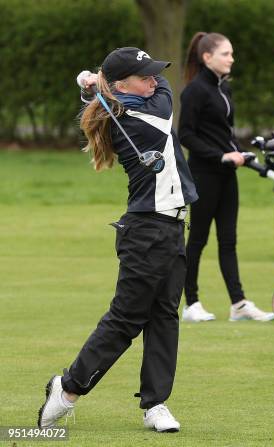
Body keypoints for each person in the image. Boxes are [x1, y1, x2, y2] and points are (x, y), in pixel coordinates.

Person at [38, 47, 198, 432]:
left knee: (164, 317)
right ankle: (68, 387)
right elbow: (163, 90)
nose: (153, 80)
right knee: (127, 318)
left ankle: (155, 404)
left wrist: (94, 84)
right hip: (146, 233)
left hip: (172, 227)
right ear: (123, 85)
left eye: (151, 74)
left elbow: (130, 90)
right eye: (144, 76)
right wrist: (98, 83)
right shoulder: (148, 112)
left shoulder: (123, 105)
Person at [179, 32, 274, 323]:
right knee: (197, 240)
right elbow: (186, 135)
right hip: (204, 174)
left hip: (226, 175)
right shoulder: (194, 91)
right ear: (207, 57)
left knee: (228, 241)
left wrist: (241, 153)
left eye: (231, 54)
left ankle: (239, 304)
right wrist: (219, 156)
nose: (231, 59)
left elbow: (226, 135)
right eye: (226, 54)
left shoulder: (225, 90)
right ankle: (191, 303)